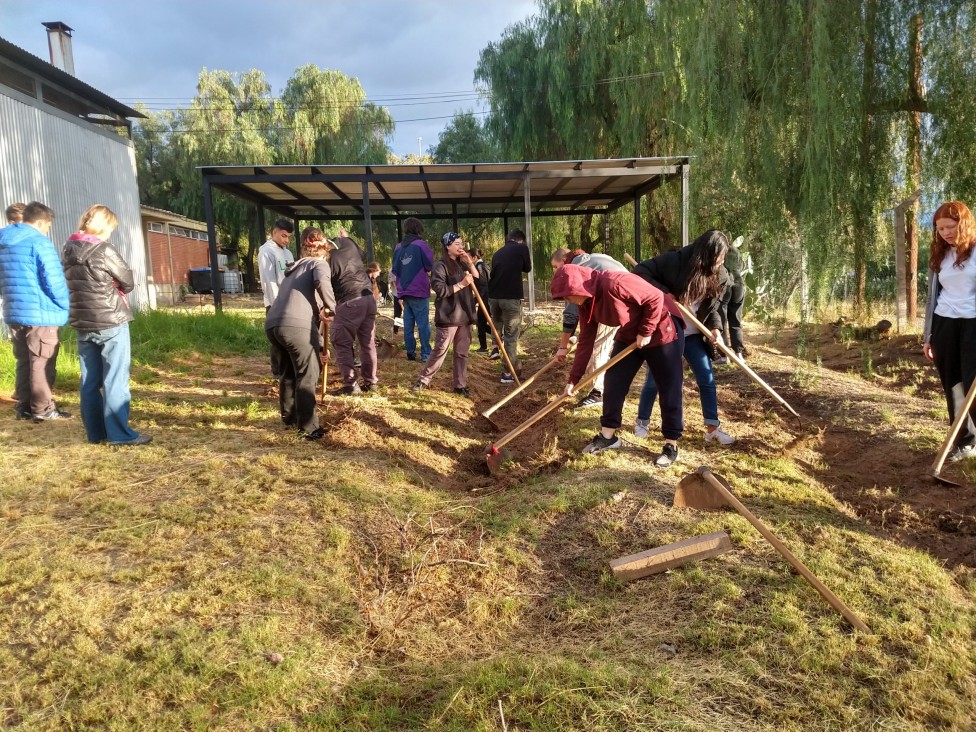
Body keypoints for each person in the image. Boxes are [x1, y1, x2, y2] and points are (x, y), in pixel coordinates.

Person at [551, 264, 684, 467]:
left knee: (668, 387)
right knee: (614, 382)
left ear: (577, 287)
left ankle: (671, 444)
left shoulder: (613, 283)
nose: (567, 301)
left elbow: (656, 297)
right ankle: (608, 436)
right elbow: (586, 341)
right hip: (630, 332)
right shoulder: (585, 304)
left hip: (661, 329)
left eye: (567, 296)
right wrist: (573, 380)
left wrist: (646, 331)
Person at [632, 230, 737, 446]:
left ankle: (712, 428)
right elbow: (640, 271)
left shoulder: (721, 275)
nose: (721, 262)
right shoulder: (676, 261)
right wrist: (663, 293)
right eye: (718, 258)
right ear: (706, 255)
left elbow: (713, 309)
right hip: (668, 332)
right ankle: (642, 421)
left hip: (693, 335)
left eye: (723, 258)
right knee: (655, 380)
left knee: (706, 378)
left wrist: (715, 329)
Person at [62, 205, 149, 446]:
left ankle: (96, 433)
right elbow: (128, 281)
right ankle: (120, 435)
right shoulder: (104, 249)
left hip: (82, 321)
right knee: (115, 378)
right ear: (103, 226)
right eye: (111, 227)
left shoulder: (68, 249)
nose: (111, 232)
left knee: (89, 381)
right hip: (110, 320)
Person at [0, 201, 71, 422]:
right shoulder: (39, 243)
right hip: (41, 313)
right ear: (40, 221)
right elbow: (54, 280)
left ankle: (24, 407)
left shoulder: (4, 241)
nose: (47, 230)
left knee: (24, 360)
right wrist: (64, 304)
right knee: (42, 361)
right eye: (47, 225)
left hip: (14, 311)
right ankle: (43, 408)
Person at [265, 233, 336, 440]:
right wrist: (332, 307)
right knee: (307, 373)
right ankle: (308, 427)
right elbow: (323, 282)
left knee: (288, 371)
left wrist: (321, 314)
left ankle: (289, 418)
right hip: (295, 325)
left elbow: (303, 302)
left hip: (273, 324)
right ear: (324, 252)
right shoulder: (319, 264)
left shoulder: (293, 269)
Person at [923, 200, 976, 462]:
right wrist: (928, 336)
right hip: (945, 324)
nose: (944, 232)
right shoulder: (940, 254)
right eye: (940, 228)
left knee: (973, 383)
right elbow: (932, 298)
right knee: (953, 385)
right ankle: (965, 441)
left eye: (949, 226)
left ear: (963, 224)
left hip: (973, 325)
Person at [552, 247, 628, 409]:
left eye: (555, 266)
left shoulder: (574, 273)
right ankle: (596, 387)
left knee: (597, 347)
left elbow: (571, 314)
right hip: (614, 298)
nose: (555, 272)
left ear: (564, 261)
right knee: (590, 343)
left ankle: (598, 392)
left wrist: (563, 347)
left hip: (617, 300)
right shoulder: (589, 258)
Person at [413, 233, 479, 396]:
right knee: (441, 349)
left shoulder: (462, 264)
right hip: (449, 316)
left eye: (461, 243)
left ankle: (460, 385)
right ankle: (424, 380)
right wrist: (461, 284)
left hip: (465, 315)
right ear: (448, 246)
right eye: (456, 244)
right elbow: (440, 289)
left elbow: (478, 279)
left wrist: (470, 263)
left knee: (461, 352)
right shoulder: (440, 265)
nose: (460, 246)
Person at [328, 228, 378, 396]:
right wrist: (348, 238)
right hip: (368, 297)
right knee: (368, 343)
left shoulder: (328, 256)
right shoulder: (349, 243)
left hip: (349, 300)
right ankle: (371, 382)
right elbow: (362, 255)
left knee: (341, 341)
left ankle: (351, 385)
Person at [488, 228, 531, 383]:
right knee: (511, 335)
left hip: (494, 296)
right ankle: (508, 373)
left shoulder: (498, 253)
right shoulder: (522, 248)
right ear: (520, 240)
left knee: (496, 324)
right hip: (510, 297)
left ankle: (494, 348)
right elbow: (528, 268)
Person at [391, 217, 434, 361]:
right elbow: (429, 265)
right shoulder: (421, 245)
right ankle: (426, 353)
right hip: (419, 289)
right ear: (418, 229)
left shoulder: (398, 247)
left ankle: (410, 352)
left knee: (408, 322)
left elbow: (395, 269)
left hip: (403, 289)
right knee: (423, 323)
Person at [258, 218, 296, 378]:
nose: (286, 240)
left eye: (288, 237)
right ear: (274, 232)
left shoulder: (287, 252)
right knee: (277, 338)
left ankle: (288, 368)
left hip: (290, 301)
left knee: (289, 336)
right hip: (275, 303)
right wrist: (275, 305)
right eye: (283, 236)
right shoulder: (266, 252)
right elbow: (268, 280)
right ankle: (277, 371)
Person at [717, 235, 750, 362]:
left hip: (725, 284)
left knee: (722, 320)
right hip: (739, 284)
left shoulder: (721, 250)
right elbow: (740, 267)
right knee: (736, 320)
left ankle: (724, 355)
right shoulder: (736, 252)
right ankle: (739, 354)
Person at [0, 203, 26, 341]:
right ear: (12, 222)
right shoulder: (30, 242)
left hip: (11, 307)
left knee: (22, 356)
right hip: (28, 306)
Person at [469, 247, 491, 353]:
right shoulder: (482, 265)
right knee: (480, 322)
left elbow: (483, 286)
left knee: (481, 322)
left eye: (468, 257)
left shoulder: (480, 267)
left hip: (485, 299)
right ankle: (500, 335)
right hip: (486, 298)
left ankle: (483, 347)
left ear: (474, 257)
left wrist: (476, 301)